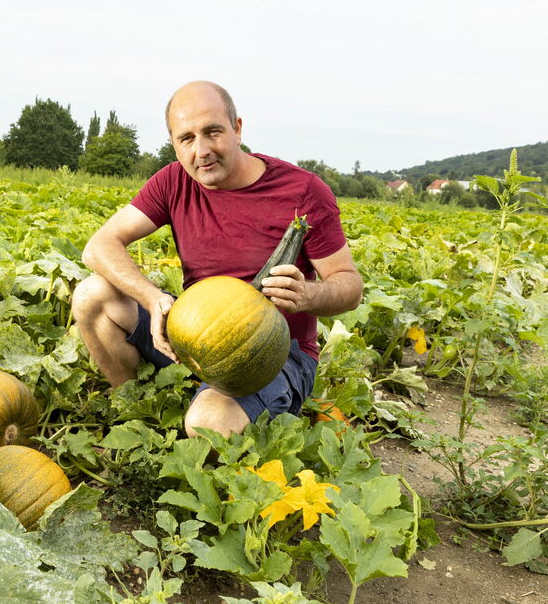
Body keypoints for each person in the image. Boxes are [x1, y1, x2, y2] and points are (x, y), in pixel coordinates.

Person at [71, 81, 363, 437]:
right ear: (174, 144)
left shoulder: (302, 191)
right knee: (91, 297)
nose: (202, 150)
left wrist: (309, 296)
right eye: (187, 138)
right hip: (194, 335)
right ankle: (139, 420)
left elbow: (349, 285)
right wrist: (152, 297)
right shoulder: (173, 182)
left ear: (237, 129)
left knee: (206, 425)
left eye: (213, 132)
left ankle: (221, 411)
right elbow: (99, 246)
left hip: (271, 354)